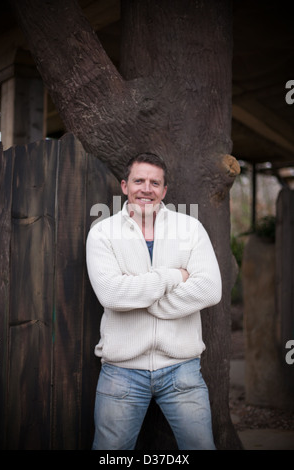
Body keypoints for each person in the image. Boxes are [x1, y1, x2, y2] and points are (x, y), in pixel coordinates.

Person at [86, 153, 222, 450]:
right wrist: (174, 276)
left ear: (164, 190)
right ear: (124, 186)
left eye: (154, 182)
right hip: (121, 372)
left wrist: (145, 299)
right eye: (139, 180)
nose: (146, 188)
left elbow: (210, 290)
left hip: (182, 369)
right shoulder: (103, 233)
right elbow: (110, 294)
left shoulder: (190, 229)